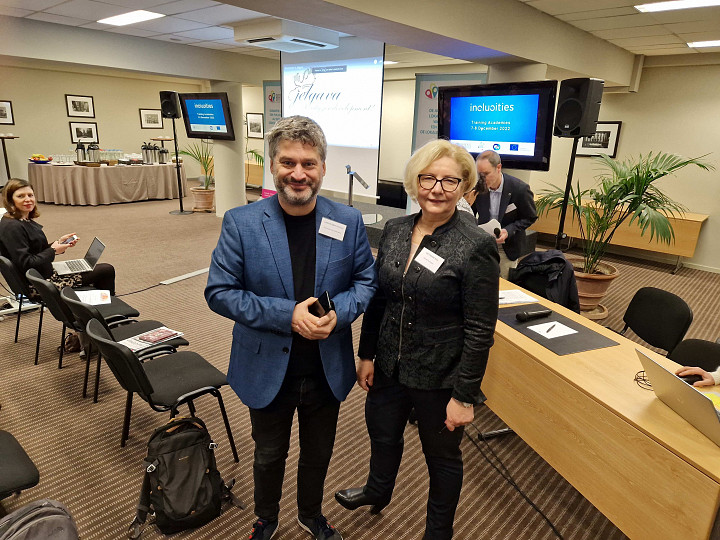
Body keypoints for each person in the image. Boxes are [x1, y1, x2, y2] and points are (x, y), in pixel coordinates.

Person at [205, 116, 377, 540]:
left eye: (309, 163)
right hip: (266, 367)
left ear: (323, 167)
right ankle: (266, 518)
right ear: (272, 165)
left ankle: (310, 514)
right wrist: (287, 314)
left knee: (318, 454)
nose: (298, 173)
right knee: (268, 455)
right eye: (288, 162)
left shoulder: (348, 220)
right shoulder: (241, 222)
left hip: (326, 368)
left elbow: (365, 282)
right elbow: (220, 292)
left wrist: (340, 314)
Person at [335, 139, 500, 540]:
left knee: (441, 458)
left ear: (464, 186)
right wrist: (367, 354)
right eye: (428, 178)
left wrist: (464, 397)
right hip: (389, 363)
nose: (437, 189)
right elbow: (379, 299)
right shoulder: (395, 230)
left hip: (439, 374)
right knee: (383, 433)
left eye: (449, 180)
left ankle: (438, 532)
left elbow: (481, 329)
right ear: (415, 182)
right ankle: (377, 489)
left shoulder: (476, 245)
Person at [0, 178, 116, 294]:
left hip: (42, 274)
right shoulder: (13, 227)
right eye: (21, 196)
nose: (28, 199)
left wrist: (58, 243)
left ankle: (96, 302)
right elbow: (27, 263)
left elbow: (34, 250)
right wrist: (53, 250)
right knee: (106, 270)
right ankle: (104, 304)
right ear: (10, 200)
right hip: (39, 284)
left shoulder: (22, 220)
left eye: (30, 195)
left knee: (101, 270)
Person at [472, 150, 537, 279]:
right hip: (483, 245)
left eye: (486, 174)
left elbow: (530, 217)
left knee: (504, 285)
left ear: (498, 168)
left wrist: (508, 231)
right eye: (479, 175)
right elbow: (469, 213)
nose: (482, 179)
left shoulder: (519, 189)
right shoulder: (477, 188)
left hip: (507, 247)